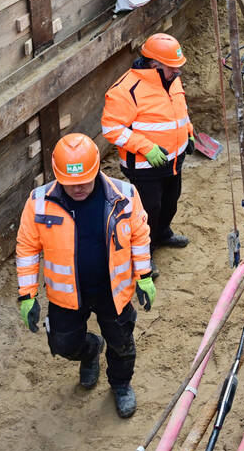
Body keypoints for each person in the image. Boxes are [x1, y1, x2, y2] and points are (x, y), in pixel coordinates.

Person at [14, 133, 155, 418]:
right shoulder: (39, 203)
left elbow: (139, 235)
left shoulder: (124, 196)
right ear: (57, 176)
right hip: (67, 294)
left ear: (96, 169)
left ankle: (121, 384)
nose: (77, 188)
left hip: (112, 291)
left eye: (84, 181)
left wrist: (144, 275)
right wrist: (27, 294)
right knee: (63, 344)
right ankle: (90, 351)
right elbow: (27, 248)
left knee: (122, 343)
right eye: (70, 183)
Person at [102, 33, 194, 249]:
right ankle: (145, 253)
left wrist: (189, 132)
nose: (177, 71)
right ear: (154, 65)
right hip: (145, 165)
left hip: (173, 160)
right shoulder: (126, 90)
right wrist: (147, 147)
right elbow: (111, 128)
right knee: (148, 210)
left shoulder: (171, 79)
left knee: (170, 202)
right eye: (172, 67)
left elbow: (181, 110)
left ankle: (163, 234)